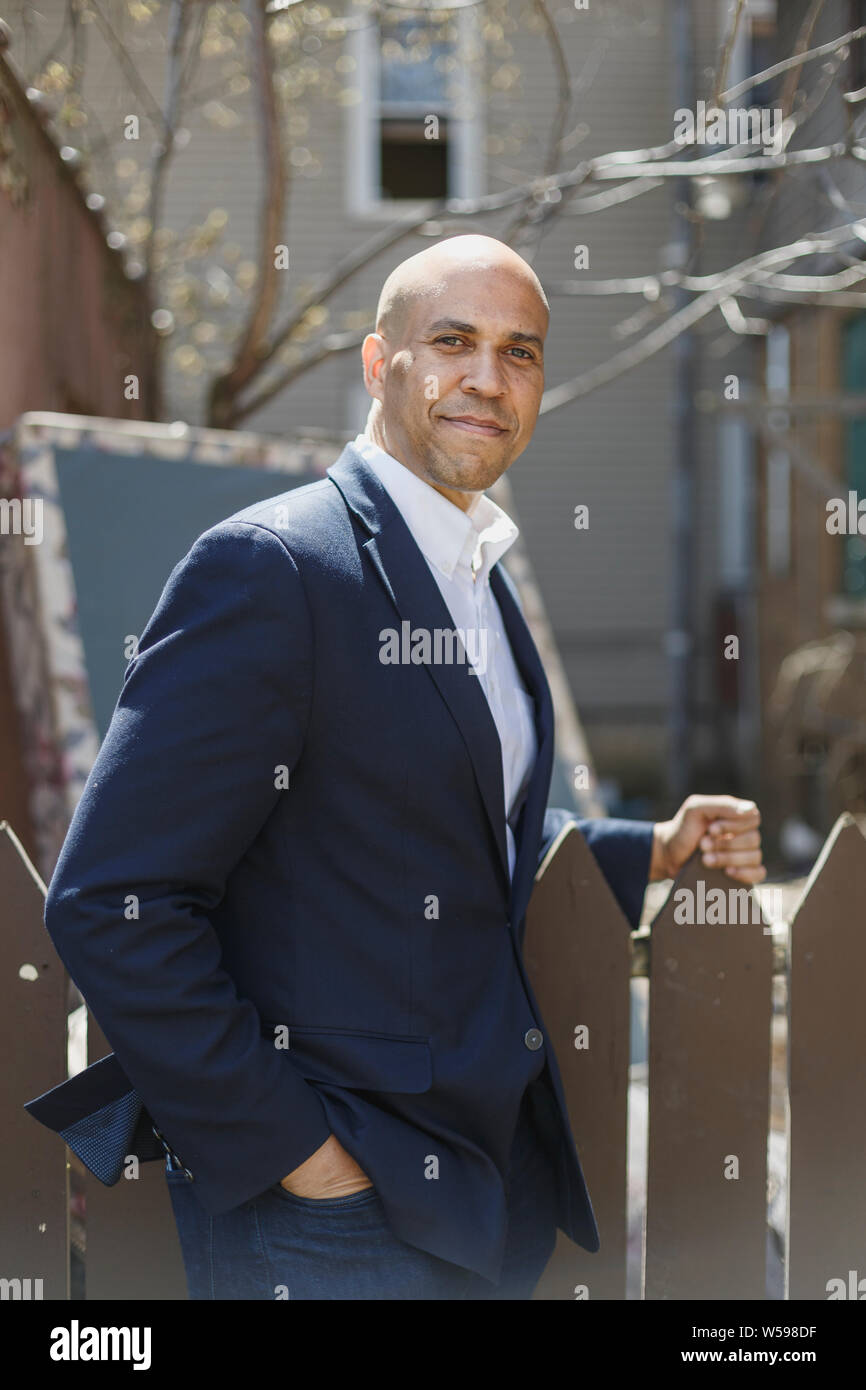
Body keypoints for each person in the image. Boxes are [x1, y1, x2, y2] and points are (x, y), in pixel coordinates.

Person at [28, 234, 765, 1300]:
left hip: (481, 1187)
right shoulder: (275, 567)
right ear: (380, 365)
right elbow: (113, 899)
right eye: (451, 341)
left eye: (519, 352)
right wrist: (303, 1161)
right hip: (326, 1224)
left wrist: (646, 847)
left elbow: (429, 816)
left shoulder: (478, 574)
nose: (486, 376)